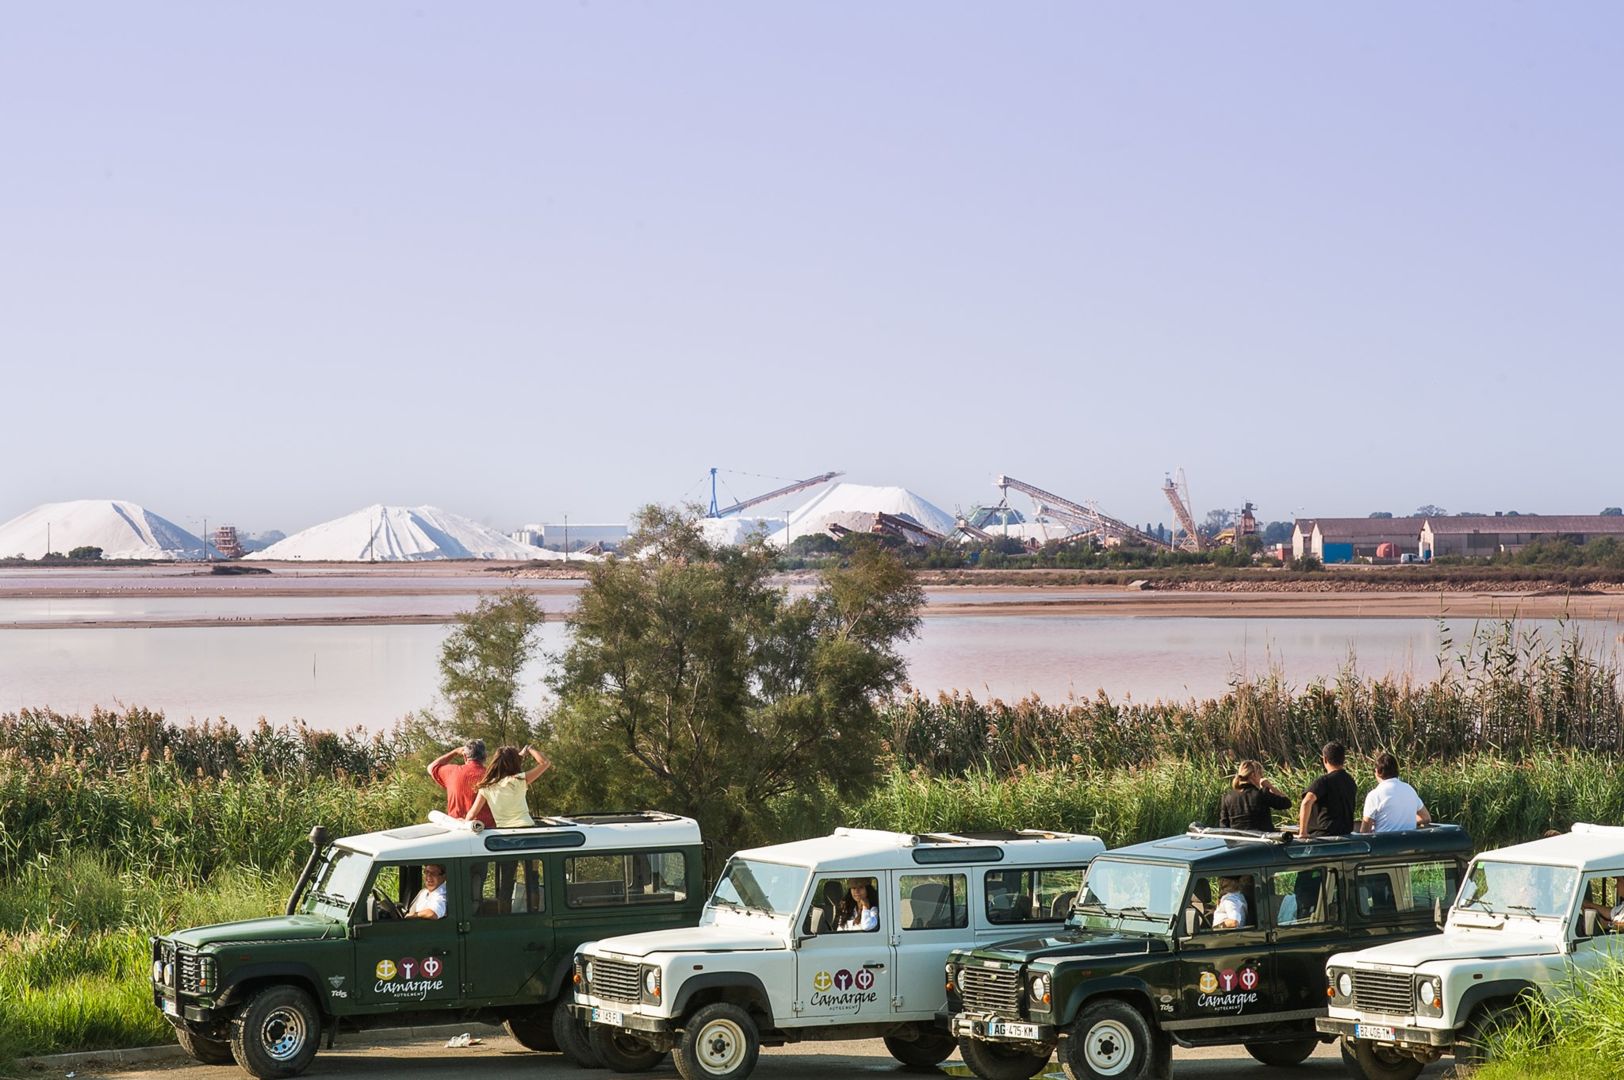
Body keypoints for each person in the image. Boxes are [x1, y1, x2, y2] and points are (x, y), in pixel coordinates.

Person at [466, 745, 551, 829]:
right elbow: (545, 763)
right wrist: (530, 749)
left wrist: (463, 825)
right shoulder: (519, 780)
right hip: (526, 830)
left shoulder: (487, 787)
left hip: (505, 835)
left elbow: (471, 814)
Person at [428, 739, 496, 830]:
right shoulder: (492, 776)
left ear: (464, 756)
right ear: (485, 756)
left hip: (456, 829)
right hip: (485, 830)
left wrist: (454, 752)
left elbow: (431, 767)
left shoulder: (452, 772)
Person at [1298, 741, 1358, 838]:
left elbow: (1306, 802)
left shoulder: (1324, 781)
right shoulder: (1350, 781)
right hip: (1345, 835)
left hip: (1323, 837)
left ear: (1325, 759)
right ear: (1343, 759)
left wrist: (1302, 833)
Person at [1359, 752, 1431, 833]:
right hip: (1409, 842)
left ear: (1377, 771)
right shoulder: (1410, 790)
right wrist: (1406, 822)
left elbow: (1364, 831)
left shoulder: (1374, 795)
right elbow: (1426, 817)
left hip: (1384, 843)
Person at [1219, 760, 1292, 831]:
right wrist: (1270, 786)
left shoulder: (1227, 797)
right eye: (1260, 774)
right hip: (1262, 840)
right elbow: (1287, 803)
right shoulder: (1261, 794)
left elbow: (1224, 825)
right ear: (1253, 775)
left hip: (1238, 841)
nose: (1262, 777)